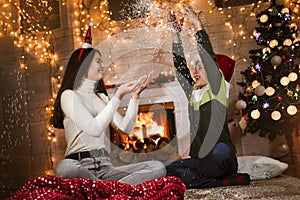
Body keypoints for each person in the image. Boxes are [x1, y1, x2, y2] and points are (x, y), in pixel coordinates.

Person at [50, 25, 166, 185]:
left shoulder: (102, 98)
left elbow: (125, 128)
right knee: (65, 168)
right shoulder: (69, 96)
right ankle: (108, 189)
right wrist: (117, 95)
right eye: (98, 61)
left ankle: (103, 189)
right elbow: (93, 128)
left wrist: (135, 97)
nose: (102, 66)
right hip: (80, 166)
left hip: (106, 167)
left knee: (157, 167)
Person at [166, 4, 250, 188]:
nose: (195, 72)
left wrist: (198, 27)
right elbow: (181, 68)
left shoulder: (218, 89)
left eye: (200, 67)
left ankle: (199, 179)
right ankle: (217, 181)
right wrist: (175, 35)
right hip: (201, 160)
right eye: (194, 67)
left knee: (219, 152)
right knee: (169, 169)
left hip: (222, 157)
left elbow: (209, 59)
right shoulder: (193, 93)